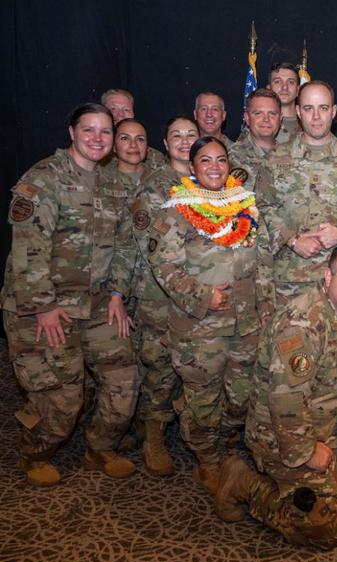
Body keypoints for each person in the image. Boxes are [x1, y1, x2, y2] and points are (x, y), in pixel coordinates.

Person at [215, 245, 337, 549]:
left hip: (326, 419)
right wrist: (306, 452)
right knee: (325, 527)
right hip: (282, 437)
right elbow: (286, 402)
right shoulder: (302, 322)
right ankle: (243, 483)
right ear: (328, 277)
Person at [3, 103, 138, 485]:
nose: (98, 139)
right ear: (72, 133)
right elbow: (28, 249)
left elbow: (125, 246)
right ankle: (36, 453)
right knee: (63, 398)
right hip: (43, 307)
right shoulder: (44, 179)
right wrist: (43, 308)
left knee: (124, 379)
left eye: (105, 132)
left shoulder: (113, 184)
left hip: (96, 305)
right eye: (89, 130)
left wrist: (116, 293)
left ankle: (99, 447)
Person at [148, 136, 274, 492]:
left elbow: (263, 262)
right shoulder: (176, 209)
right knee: (203, 399)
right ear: (192, 167)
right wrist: (203, 295)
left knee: (240, 396)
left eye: (221, 160)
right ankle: (207, 459)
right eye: (206, 161)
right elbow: (164, 267)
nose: (215, 167)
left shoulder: (245, 205)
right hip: (201, 327)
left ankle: (228, 451)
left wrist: (266, 306)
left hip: (247, 323)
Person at [121, 115, 200, 476]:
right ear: (165, 144)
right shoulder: (154, 190)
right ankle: (153, 436)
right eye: (176, 136)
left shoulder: (213, 184)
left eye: (191, 135)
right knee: (163, 367)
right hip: (161, 295)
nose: (184, 141)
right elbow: (151, 249)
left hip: (203, 295)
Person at [259, 80, 337, 306]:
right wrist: (292, 240)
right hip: (289, 282)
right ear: (297, 112)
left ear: (333, 112)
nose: (316, 116)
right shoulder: (275, 160)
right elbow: (261, 207)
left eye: (323, 108)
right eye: (308, 108)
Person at [101, 88, 167, 170]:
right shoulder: (95, 151)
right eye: (113, 109)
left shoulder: (153, 157)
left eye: (126, 109)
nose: (120, 114)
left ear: (133, 114)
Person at [230, 88, 281, 173]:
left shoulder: (294, 156)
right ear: (247, 118)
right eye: (258, 113)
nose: (266, 119)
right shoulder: (230, 158)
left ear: (280, 118)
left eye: (272, 113)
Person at [268, 62, 301, 144]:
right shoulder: (261, 123)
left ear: (298, 90)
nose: (284, 87)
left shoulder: (310, 124)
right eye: (277, 81)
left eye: (291, 82)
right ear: (268, 89)